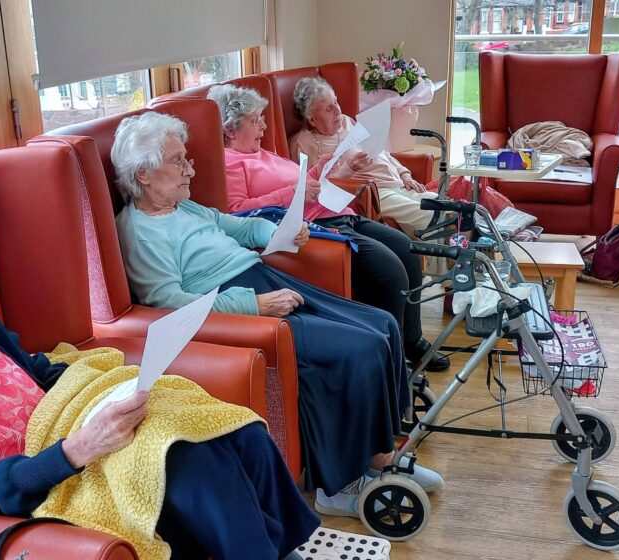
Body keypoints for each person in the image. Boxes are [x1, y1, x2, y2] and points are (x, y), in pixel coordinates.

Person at [0, 157, 319, 560]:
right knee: (189, 461)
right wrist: (76, 450)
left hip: (69, 422)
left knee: (236, 429)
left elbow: (27, 369)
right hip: (38, 475)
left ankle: (284, 550)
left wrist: (114, 386)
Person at [109, 112, 444, 518]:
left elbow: (233, 225)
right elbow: (168, 302)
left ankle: (381, 454)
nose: (189, 168)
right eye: (178, 161)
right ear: (144, 174)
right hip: (240, 306)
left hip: (262, 277)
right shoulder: (139, 232)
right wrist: (253, 305)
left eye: (186, 159)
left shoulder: (184, 208)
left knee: (383, 325)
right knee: (360, 348)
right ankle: (339, 486)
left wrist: (278, 232)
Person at [206, 83, 450, 372]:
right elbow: (237, 211)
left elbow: (306, 184)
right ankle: (391, 361)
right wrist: (292, 193)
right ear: (230, 129)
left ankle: (412, 341)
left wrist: (329, 165)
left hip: (336, 211)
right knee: (389, 272)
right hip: (316, 226)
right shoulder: (231, 162)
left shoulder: (265, 154)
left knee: (406, 250)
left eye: (262, 118)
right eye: (255, 120)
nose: (263, 126)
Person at [287, 76, 514, 237]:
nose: (337, 110)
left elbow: (382, 152)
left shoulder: (347, 121)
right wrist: (349, 167)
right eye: (328, 109)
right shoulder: (303, 143)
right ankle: (458, 282)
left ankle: (510, 227)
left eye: (336, 102)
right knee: (437, 215)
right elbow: (319, 187)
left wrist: (404, 173)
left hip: (397, 184)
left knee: (452, 203)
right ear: (311, 119)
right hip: (373, 192)